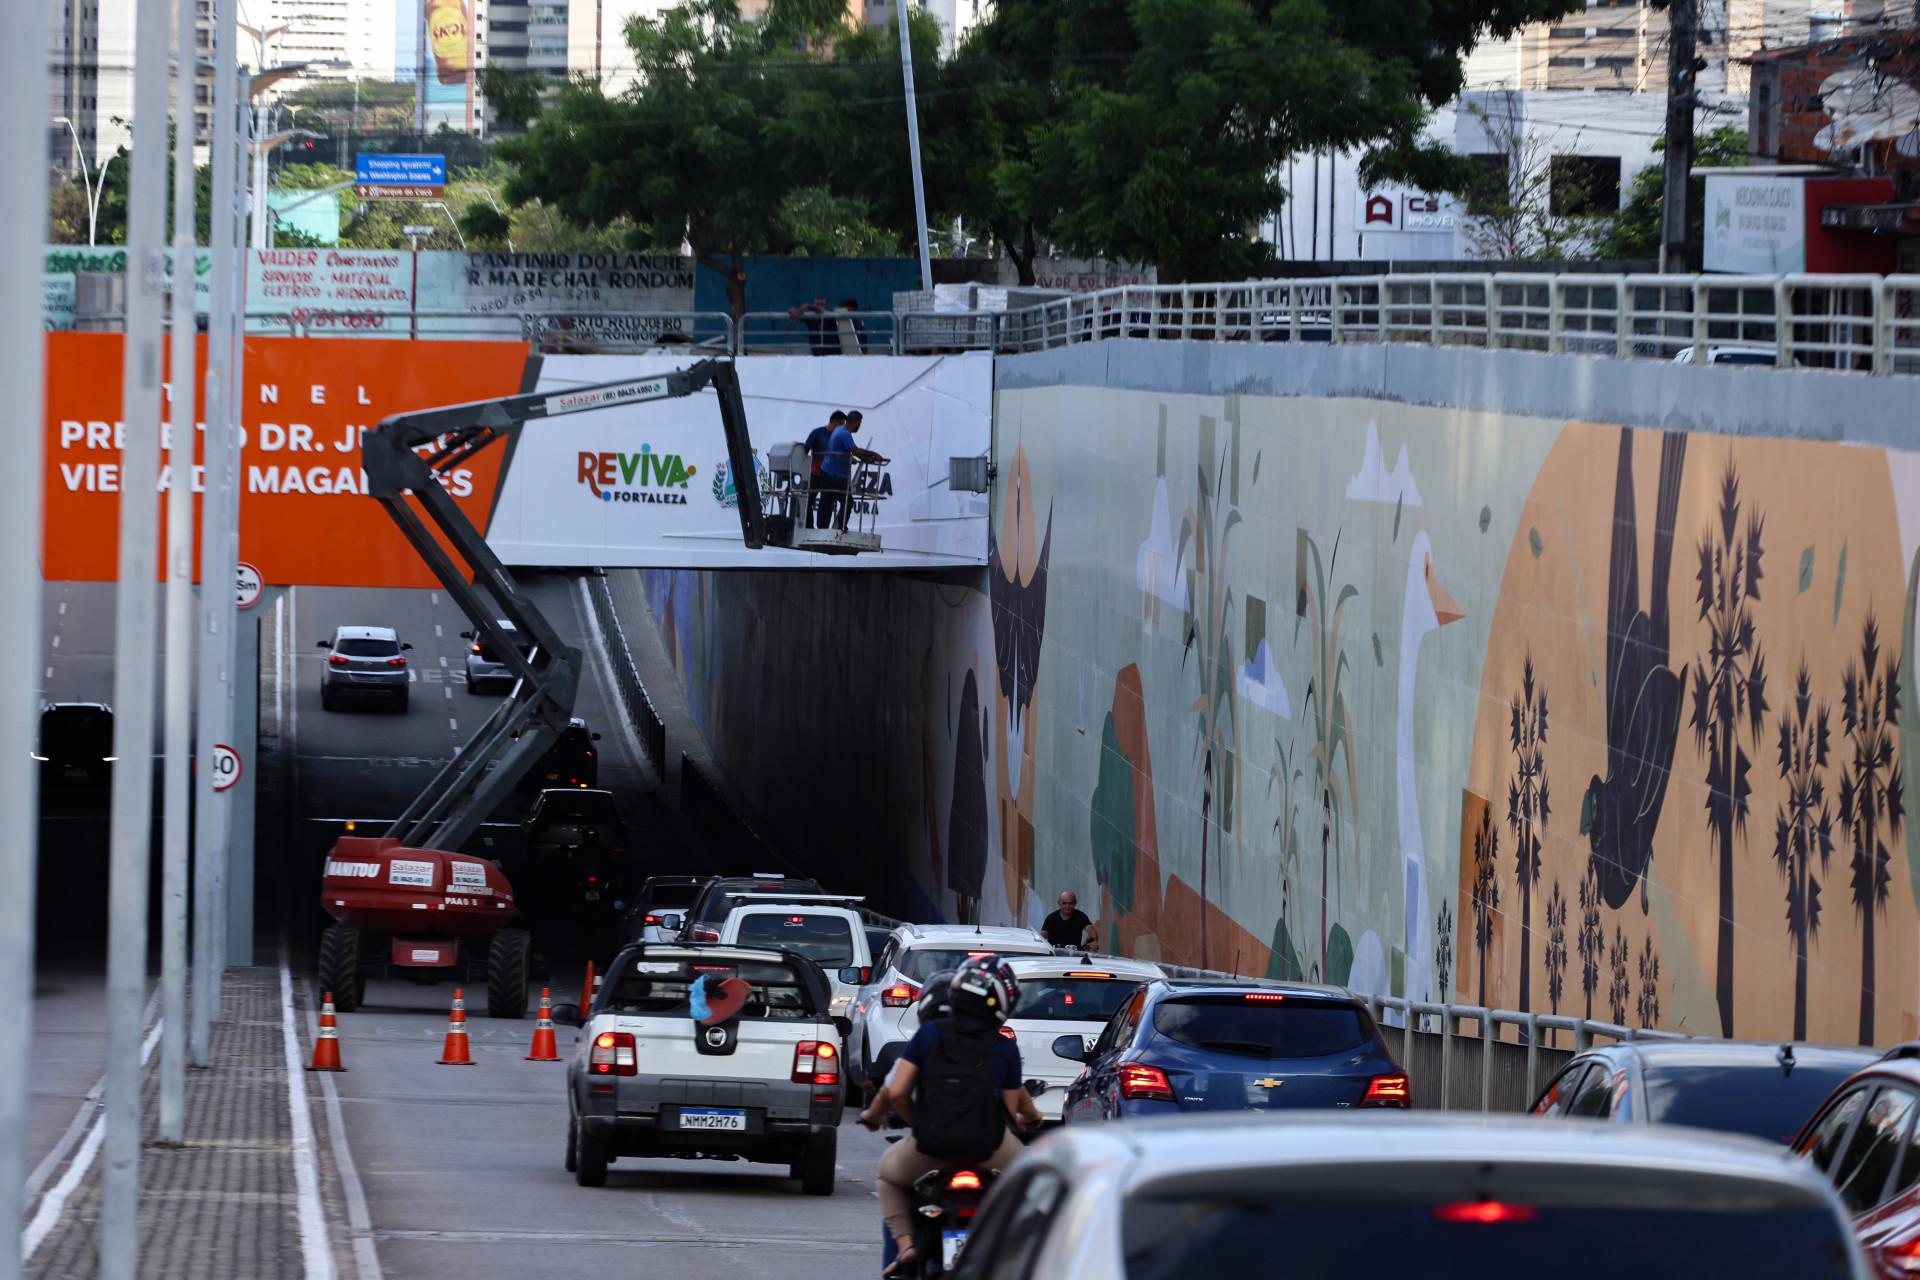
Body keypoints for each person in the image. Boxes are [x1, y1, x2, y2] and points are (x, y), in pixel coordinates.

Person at [863, 955, 1040, 1275]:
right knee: (1030, 1183)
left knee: (887, 1176)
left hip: (929, 1147)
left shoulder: (930, 1033)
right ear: (1005, 1000)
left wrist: (920, 1124)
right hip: (989, 1149)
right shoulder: (1005, 1046)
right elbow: (1009, 1113)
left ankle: (906, 1248)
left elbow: (898, 1092)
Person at [817, 411, 880, 532]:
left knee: (826, 501)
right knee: (847, 501)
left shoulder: (839, 429)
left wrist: (864, 458)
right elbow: (855, 450)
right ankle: (841, 527)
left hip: (826, 471)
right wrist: (873, 453)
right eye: (859, 423)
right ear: (856, 422)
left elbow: (848, 449)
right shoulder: (845, 434)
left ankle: (821, 528)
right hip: (835, 475)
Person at [803, 410, 846, 528]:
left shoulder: (840, 436)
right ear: (835, 421)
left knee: (827, 502)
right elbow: (805, 449)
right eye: (842, 424)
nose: (843, 427)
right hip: (815, 473)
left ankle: (823, 528)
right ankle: (809, 526)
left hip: (830, 474)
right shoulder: (817, 433)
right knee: (808, 500)